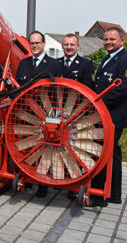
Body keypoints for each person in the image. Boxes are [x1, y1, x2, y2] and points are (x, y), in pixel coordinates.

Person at [16, 30, 62, 198]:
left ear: (44, 44)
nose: (34, 46)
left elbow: (59, 92)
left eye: (37, 43)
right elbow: (17, 88)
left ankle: (43, 184)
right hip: (26, 113)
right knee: (28, 147)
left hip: (47, 114)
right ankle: (28, 179)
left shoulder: (55, 65)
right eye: (32, 43)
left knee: (46, 150)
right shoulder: (23, 63)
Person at [88, 27, 127, 207]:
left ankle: (99, 196)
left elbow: (120, 89)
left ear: (122, 40)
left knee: (103, 153)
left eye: (112, 39)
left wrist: (97, 104)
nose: (108, 43)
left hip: (113, 115)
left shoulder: (124, 60)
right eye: (105, 40)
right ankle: (114, 194)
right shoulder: (107, 58)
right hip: (104, 113)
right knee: (113, 154)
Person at [57, 33, 95, 200]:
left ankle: (73, 184)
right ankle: (55, 178)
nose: (69, 47)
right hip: (57, 111)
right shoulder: (56, 63)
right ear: (62, 46)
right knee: (54, 147)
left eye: (72, 45)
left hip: (76, 112)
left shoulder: (86, 64)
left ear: (78, 46)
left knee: (74, 148)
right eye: (66, 44)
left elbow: (88, 89)